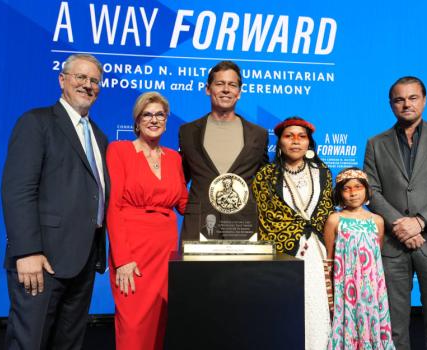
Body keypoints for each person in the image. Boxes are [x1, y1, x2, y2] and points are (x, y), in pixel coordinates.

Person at [2, 53, 108, 349]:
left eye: (94, 80)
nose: (88, 85)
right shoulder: (36, 123)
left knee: (68, 344)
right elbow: (18, 190)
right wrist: (27, 251)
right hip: (41, 261)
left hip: (83, 262)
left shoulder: (99, 136)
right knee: (29, 343)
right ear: (62, 80)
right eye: (80, 77)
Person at [363, 76, 427, 350]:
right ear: (391, 104)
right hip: (393, 244)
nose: (406, 104)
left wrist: (420, 222)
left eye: (412, 98)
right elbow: (371, 191)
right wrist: (402, 226)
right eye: (399, 99)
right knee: (393, 326)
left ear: (424, 100)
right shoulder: (376, 143)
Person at [106, 91, 188, 350]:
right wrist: (123, 259)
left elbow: (184, 203)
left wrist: (219, 199)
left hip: (165, 251)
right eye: (147, 115)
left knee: (159, 325)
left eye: (160, 115)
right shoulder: (119, 150)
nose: (154, 120)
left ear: (166, 120)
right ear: (137, 120)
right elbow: (113, 207)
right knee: (133, 325)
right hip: (133, 251)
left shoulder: (174, 158)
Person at [252, 117, 334, 350]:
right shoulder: (266, 175)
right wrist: (296, 233)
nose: (296, 141)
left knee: (316, 309)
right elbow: (266, 216)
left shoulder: (322, 172)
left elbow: (326, 211)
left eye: (302, 136)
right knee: (285, 311)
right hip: (283, 254)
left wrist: (313, 236)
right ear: (279, 143)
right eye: (289, 136)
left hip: (316, 253)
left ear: (309, 142)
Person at [179, 60, 268, 241]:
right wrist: (189, 206)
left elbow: (264, 182)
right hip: (199, 223)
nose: (226, 89)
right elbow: (180, 179)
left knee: (242, 271)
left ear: (239, 93)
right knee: (195, 271)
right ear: (208, 89)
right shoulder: (187, 132)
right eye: (219, 84)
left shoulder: (258, 134)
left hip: (243, 224)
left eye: (232, 85)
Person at [324, 167, 395, 349]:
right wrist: (331, 299)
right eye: (346, 189)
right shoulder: (335, 220)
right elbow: (329, 262)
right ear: (339, 193)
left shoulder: (377, 220)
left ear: (366, 190)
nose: (353, 193)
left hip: (371, 291)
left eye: (358, 187)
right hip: (345, 291)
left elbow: (376, 256)